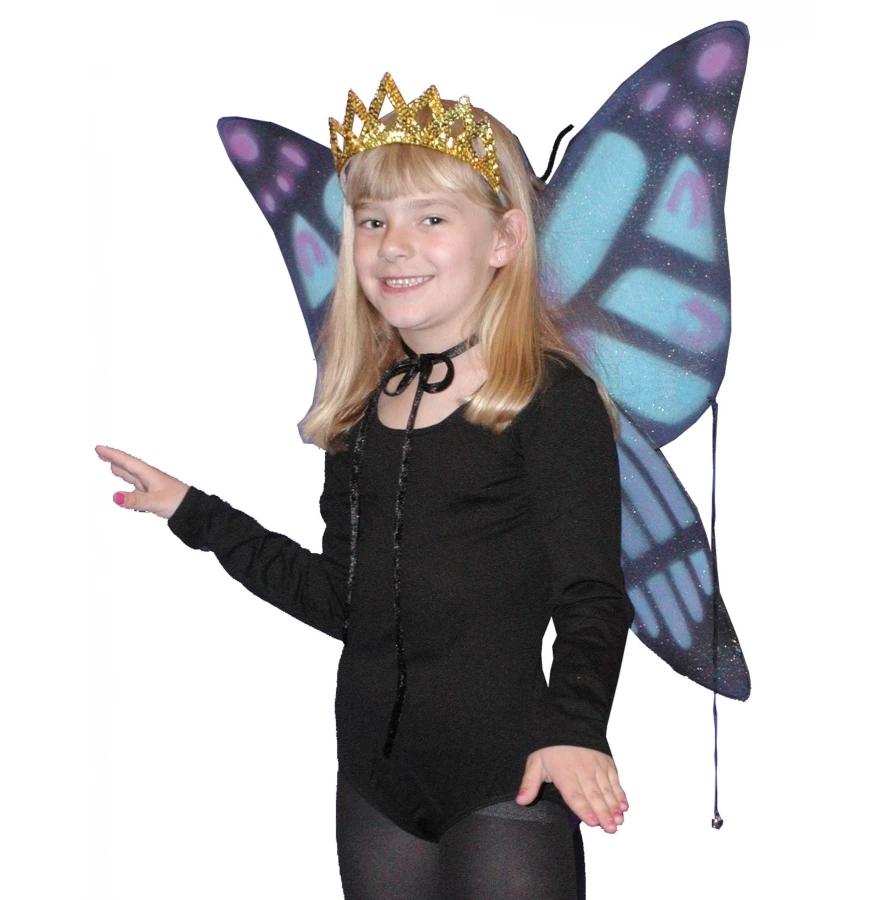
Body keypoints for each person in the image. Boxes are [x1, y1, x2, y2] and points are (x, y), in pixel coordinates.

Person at [96, 75, 633, 900]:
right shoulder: (360, 415)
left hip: (509, 777)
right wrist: (195, 513)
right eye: (373, 221)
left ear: (504, 238)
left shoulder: (548, 400)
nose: (393, 245)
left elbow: (592, 595)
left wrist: (576, 728)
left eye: (431, 219)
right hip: (375, 786)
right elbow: (343, 602)